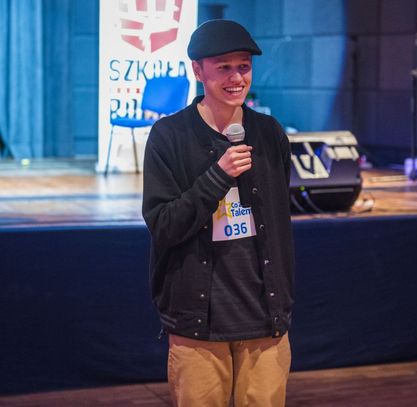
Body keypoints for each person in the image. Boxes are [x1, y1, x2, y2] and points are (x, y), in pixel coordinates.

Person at [142, 19, 295, 407]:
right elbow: (164, 225)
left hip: (265, 317)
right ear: (198, 70)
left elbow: (280, 223)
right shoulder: (169, 137)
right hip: (198, 323)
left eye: (243, 66)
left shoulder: (269, 133)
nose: (236, 78)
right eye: (223, 67)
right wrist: (218, 176)